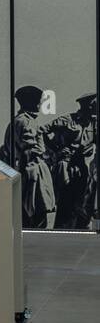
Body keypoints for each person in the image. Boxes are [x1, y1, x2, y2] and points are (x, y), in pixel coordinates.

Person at [0, 85, 56, 228]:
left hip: (26, 171)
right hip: (32, 171)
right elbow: (30, 150)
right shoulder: (26, 122)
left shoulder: (20, 120)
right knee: (37, 210)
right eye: (38, 101)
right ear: (32, 102)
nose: (41, 104)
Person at [48, 93, 97, 229]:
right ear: (87, 105)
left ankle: (79, 230)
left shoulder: (93, 123)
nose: (95, 107)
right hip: (67, 167)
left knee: (81, 203)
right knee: (66, 203)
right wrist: (56, 151)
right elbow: (43, 131)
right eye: (93, 104)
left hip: (83, 168)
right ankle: (63, 231)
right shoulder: (68, 120)